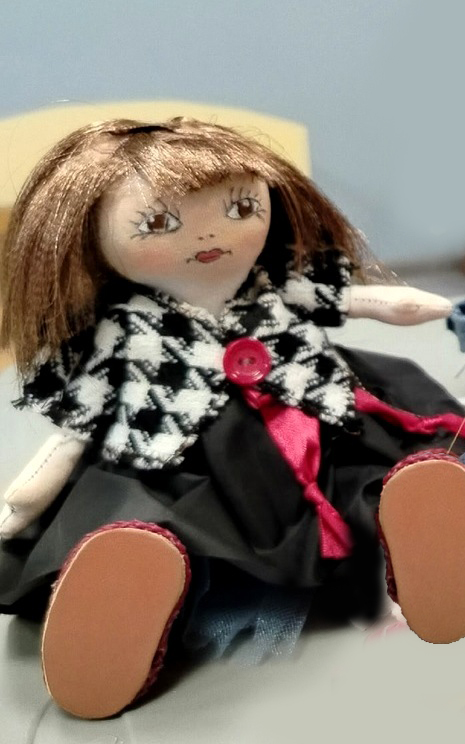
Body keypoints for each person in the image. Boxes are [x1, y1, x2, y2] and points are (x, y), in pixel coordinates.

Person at [0, 117, 463, 719]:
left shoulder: (274, 288)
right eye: (158, 223)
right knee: (144, 512)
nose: (211, 235)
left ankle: (419, 533)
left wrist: (432, 307)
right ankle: (126, 583)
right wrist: (23, 504)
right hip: (180, 459)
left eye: (241, 208)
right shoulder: (127, 332)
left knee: (368, 471)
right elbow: (77, 425)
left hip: (315, 422)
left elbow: (361, 300)